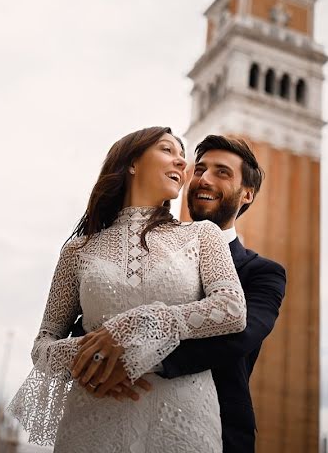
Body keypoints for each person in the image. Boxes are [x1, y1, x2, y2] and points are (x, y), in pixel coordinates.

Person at [8, 127, 247, 452]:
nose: (182, 162)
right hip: (91, 419)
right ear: (132, 162)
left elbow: (231, 309)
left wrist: (140, 323)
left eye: (182, 157)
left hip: (183, 420)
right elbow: (42, 345)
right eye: (168, 150)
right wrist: (89, 357)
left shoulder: (203, 235)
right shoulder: (78, 250)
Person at [73, 134, 287, 453]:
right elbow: (94, 320)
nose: (204, 179)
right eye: (199, 169)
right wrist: (93, 357)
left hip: (214, 431)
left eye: (222, 172)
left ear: (247, 194)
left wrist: (133, 360)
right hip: (113, 415)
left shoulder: (263, 272)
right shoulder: (135, 247)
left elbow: (238, 335)